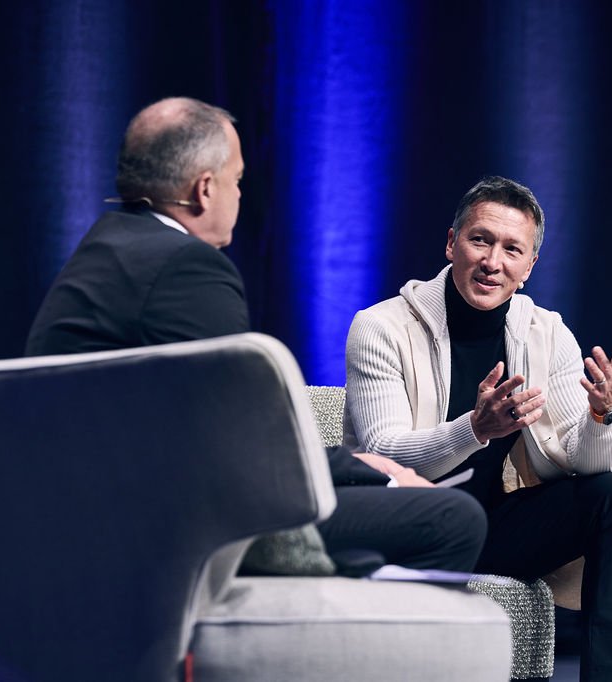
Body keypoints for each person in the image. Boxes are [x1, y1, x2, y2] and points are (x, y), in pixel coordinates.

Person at [25, 96, 485, 573]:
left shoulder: (103, 248)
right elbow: (240, 433)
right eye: (237, 180)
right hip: (168, 520)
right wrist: (373, 472)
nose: (240, 195)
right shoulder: (185, 266)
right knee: (453, 519)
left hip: (85, 508)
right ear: (205, 189)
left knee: (367, 552)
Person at [343, 176, 612, 681]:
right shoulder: (381, 327)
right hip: (408, 529)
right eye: (480, 240)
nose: (492, 262)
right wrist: (475, 428)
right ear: (451, 243)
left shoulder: (545, 331)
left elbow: (587, 461)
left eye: (512, 250)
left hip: (495, 527)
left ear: (528, 267)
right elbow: (384, 453)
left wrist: (604, 414)